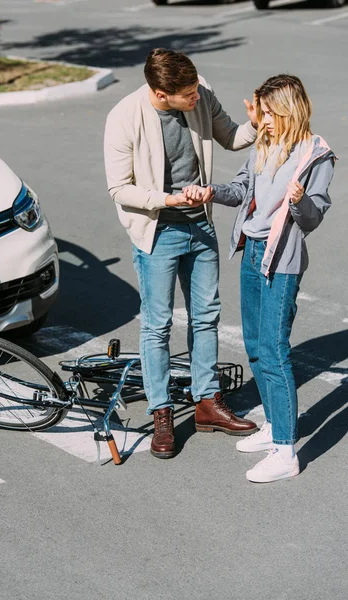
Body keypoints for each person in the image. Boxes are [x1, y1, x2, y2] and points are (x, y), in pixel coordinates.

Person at [104, 48, 258, 459]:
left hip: (200, 225)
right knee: (156, 326)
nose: (197, 97)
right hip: (158, 231)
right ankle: (162, 413)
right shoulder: (124, 116)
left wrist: (257, 124)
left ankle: (207, 403)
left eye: (196, 89)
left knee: (206, 316)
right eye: (187, 94)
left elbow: (230, 136)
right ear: (160, 93)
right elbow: (119, 188)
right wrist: (167, 201)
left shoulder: (200, 92)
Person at [183, 74, 336, 481]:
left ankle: (286, 453)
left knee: (273, 350)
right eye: (262, 113)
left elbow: (313, 218)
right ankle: (273, 427)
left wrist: (301, 201)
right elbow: (240, 188)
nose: (263, 121)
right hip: (252, 251)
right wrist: (210, 191)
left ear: (289, 110)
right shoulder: (266, 145)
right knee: (254, 345)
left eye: (270, 114)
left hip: (280, 259)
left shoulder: (315, 155)